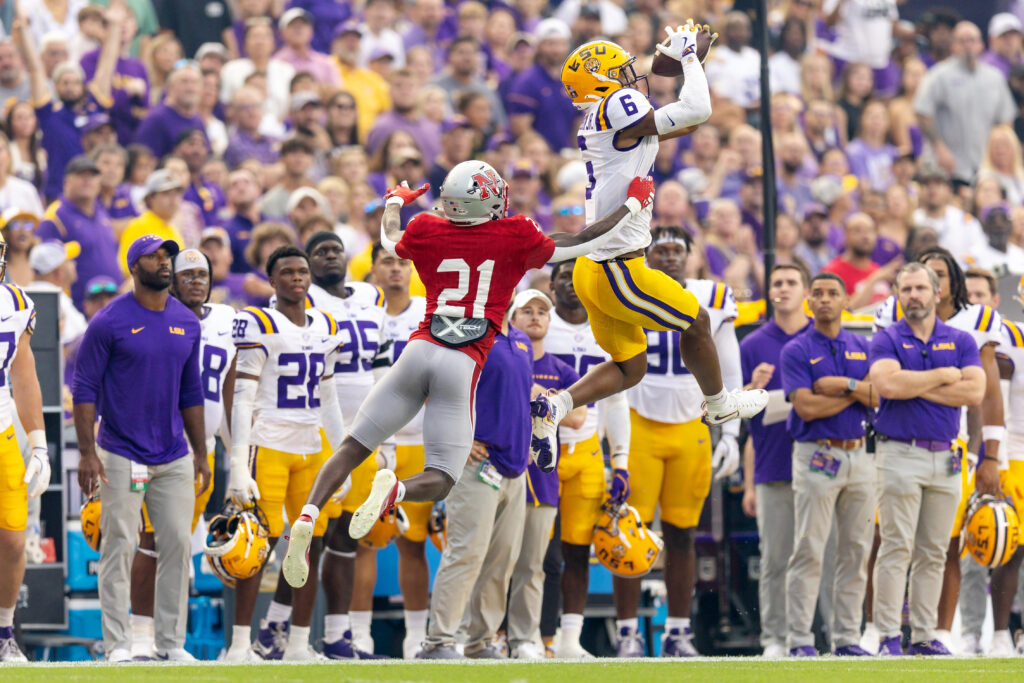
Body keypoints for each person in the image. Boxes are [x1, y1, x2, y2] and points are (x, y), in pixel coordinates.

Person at [280, 160, 655, 587]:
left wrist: (394, 204)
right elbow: (585, 238)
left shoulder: (424, 227)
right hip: (462, 362)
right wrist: (632, 203)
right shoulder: (515, 232)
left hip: (419, 348)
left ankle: (308, 514)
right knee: (441, 476)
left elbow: (390, 237)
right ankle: (397, 492)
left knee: (351, 446)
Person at [533, 22, 768, 470]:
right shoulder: (619, 105)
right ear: (603, 83)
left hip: (594, 269)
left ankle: (556, 406)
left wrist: (687, 61)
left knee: (630, 368)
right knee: (697, 322)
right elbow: (696, 110)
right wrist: (688, 61)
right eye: (620, 72)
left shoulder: (604, 117)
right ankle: (718, 404)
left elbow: (680, 122)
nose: (630, 77)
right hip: (619, 269)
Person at [251, 231, 388, 661]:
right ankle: (275, 626)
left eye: (335, 250)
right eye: (319, 252)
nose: (330, 256)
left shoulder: (371, 296)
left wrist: (388, 437)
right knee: (308, 536)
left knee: (344, 538)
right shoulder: (302, 306)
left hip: (364, 429)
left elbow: (382, 364)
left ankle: (333, 635)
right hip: (317, 430)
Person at [72, 234, 208, 662]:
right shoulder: (108, 321)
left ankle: (170, 644)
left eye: (167, 255)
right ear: (135, 266)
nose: (164, 262)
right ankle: (119, 644)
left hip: (173, 453)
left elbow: (192, 392)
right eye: (153, 256)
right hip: (120, 450)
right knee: (119, 546)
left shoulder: (187, 322)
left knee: (177, 546)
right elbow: (83, 389)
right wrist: (87, 452)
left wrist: (201, 452)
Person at [616, 226, 742, 657]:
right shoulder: (627, 290)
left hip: (691, 423)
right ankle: (628, 631)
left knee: (684, 533)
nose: (669, 257)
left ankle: (678, 630)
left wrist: (732, 431)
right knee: (628, 532)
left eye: (676, 250)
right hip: (637, 422)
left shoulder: (714, 298)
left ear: (690, 255)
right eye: (661, 250)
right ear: (646, 255)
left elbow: (730, 367)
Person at [871, 247, 1004, 652]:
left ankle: (927, 635)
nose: (914, 295)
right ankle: (889, 635)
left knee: (934, 550)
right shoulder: (887, 337)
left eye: (921, 287)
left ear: (936, 292)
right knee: (896, 547)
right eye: (906, 288)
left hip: (947, 454)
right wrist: (944, 377)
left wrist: (917, 382)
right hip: (899, 451)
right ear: (897, 294)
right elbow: (888, 387)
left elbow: (975, 391)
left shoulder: (962, 338)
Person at [223, 245, 348, 662]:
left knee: (306, 544)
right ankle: (240, 645)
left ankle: (297, 643)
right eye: (288, 272)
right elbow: (242, 397)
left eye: (302, 271)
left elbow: (329, 400)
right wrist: (238, 461)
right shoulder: (258, 321)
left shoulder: (326, 323)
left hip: (311, 445)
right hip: (270, 444)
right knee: (257, 545)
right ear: (272, 280)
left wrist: (343, 459)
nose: (297, 278)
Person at [127, 248, 236, 659]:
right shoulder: (152, 316)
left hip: (201, 454)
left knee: (178, 547)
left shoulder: (228, 321)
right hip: (157, 448)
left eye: (202, 274)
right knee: (151, 542)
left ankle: (167, 641)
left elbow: (227, 396)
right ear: (170, 280)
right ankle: (139, 638)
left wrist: (237, 459)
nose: (195, 280)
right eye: (186, 274)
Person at [418, 301, 535, 660]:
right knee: (465, 553)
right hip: (476, 465)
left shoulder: (520, 338)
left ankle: (480, 640)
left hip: (514, 467)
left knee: (502, 560)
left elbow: (518, 398)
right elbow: (432, 388)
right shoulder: (465, 333)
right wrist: (457, 441)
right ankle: (438, 640)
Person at [779, 272, 877, 657]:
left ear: (845, 300)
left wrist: (841, 384)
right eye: (817, 293)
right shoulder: (797, 349)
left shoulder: (862, 345)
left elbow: (878, 395)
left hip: (859, 453)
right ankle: (800, 638)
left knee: (856, 549)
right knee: (809, 547)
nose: (824, 299)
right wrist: (856, 391)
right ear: (808, 300)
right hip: (816, 453)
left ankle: (847, 637)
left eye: (832, 293)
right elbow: (806, 406)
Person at [542, 257, 630, 658]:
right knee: (535, 549)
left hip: (588, 448)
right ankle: (528, 632)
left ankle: (569, 638)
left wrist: (622, 460)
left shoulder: (606, 326)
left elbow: (617, 399)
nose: (571, 285)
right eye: (563, 277)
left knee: (577, 547)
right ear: (551, 284)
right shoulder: (538, 321)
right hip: (541, 448)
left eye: (576, 277)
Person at [506, 288, 584, 660]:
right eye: (527, 311)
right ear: (512, 318)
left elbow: (578, 417)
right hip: (501, 469)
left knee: (536, 564)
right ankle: (489, 634)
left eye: (542, 311)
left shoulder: (561, 370)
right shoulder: (499, 359)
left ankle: (530, 638)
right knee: (495, 560)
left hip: (542, 475)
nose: (535, 317)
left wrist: (535, 390)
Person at [739, 263, 810, 658]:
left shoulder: (820, 336)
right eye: (776, 283)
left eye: (790, 282)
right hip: (773, 465)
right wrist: (751, 389)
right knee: (775, 559)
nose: (783, 289)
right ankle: (774, 638)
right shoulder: (752, 344)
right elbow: (739, 417)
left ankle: (826, 633)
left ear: (806, 290)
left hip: (819, 463)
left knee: (822, 555)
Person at [368, 243, 433, 658]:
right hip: (375, 442)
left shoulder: (428, 310)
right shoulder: (363, 314)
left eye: (402, 262)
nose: (395, 268)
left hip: (421, 441)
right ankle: (357, 634)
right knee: (367, 541)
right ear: (373, 269)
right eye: (387, 261)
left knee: (415, 542)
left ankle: (415, 634)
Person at [0, 242, 51, 662]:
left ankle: (3, 632)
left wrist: (39, 443)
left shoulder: (17, 301)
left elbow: (25, 374)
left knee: (15, 541)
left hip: (1, 432)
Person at [914, 21, 1015, 184]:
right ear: (953, 46)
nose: (968, 46)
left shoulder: (994, 78)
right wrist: (939, 147)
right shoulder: (938, 75)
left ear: (981, 45)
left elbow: (1005, 121)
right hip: (947, 167)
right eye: (962, 41)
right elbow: (922, 113)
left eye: (972, 40)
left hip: (985, 167)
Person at [35, 154, 122, 310]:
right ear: (66, 181)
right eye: (81, 175)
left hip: (109, 302)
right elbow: (42, 267)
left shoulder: (101, 211)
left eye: (92, 175)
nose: (87, 180)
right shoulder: (56, 216)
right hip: (77, 307)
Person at [992, 276, 1024, 656]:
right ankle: (1002, 632)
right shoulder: (1010, 336)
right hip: (1015, 451)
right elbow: (995, 404)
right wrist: (994, 460)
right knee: (1011, 547)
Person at [118, 170, 186, 275]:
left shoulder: (173, 229)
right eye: (166, 194)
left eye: (176, 194)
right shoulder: (139, 226)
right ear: (150, 199)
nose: (173, 199)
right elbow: (128, 270)